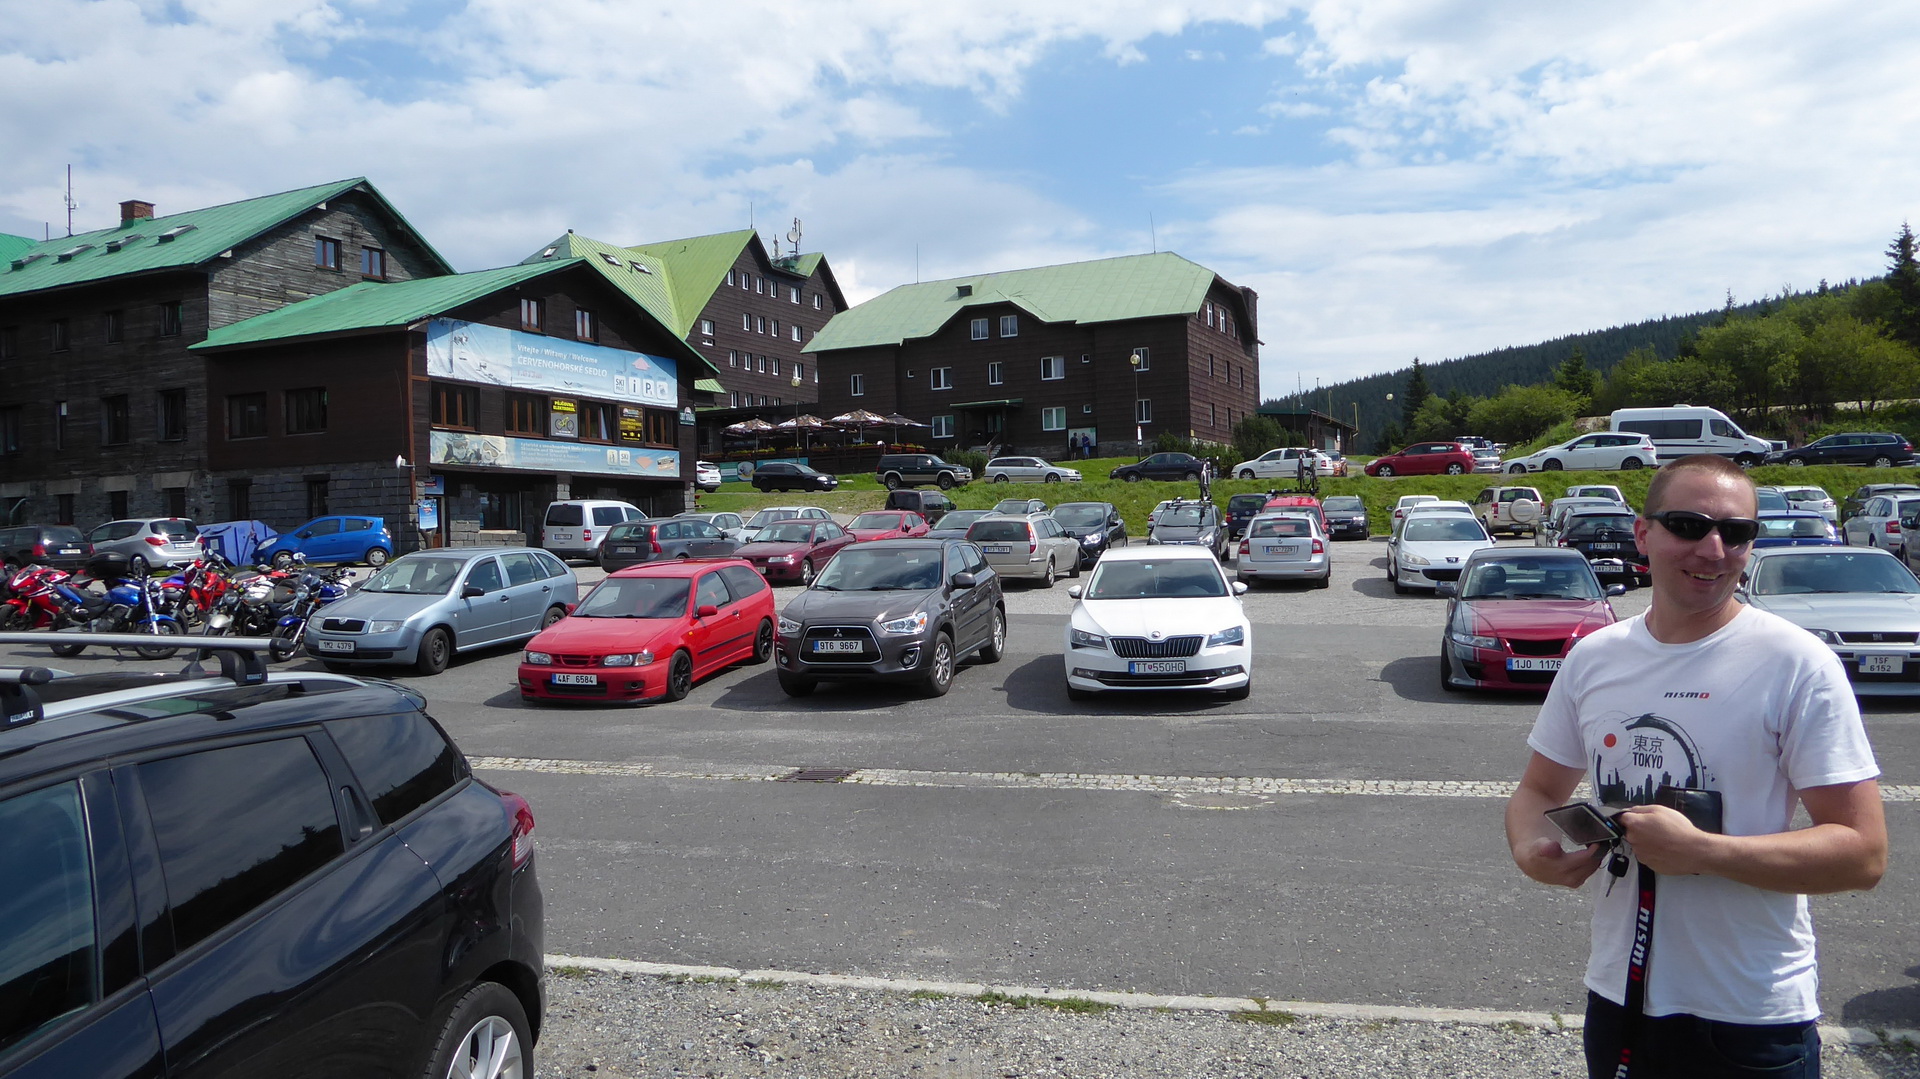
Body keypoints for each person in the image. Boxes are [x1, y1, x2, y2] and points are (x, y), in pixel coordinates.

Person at [1504, 455, 1885, 1079]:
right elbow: (1537, 790)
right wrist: (1530, 850)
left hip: (1748, 1014)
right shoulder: (1594, 657)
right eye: (1688, 525)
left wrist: (1703, 852)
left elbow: (1862, 854)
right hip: (1619, 998)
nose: (1713, 549)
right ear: (1642, 533)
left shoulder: (1796, 663)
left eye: (1736, 532)